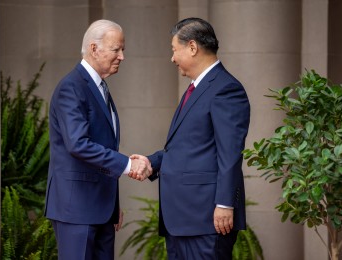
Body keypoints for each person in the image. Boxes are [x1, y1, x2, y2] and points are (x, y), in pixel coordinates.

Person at [130, 17, 250, 259]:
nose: (172, 58)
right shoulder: (196, 88)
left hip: (206, 221)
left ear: (192, 47)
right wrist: (152, 161)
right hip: (182, 221)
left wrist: (225, 204)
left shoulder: (225, 89)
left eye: (175, 50)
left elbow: (229, 154)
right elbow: (189, 147)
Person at [45, 19, 151, 260]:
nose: (122, 56)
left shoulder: (99, 87)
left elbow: (104, 147)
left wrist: (112, 204)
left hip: (101, 209)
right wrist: (128, 165)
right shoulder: (71, 87)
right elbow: (78, 144)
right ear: (94, 49)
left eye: (122, 49)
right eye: (116, 49)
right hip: (77, 210)